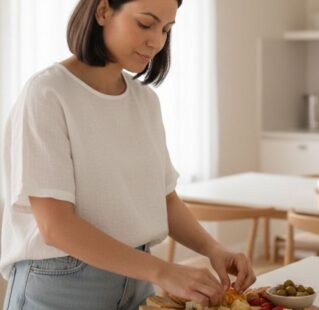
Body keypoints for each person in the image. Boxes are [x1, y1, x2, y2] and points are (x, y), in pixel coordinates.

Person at [0, 0, 256, 309]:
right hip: (60, 285)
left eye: (166, 30)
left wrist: (215, 250)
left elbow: (164, 199)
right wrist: (164, 271)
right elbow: (56, 227)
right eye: (145, 24)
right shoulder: (47, 94)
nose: (157, 41)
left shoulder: (145, 101)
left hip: (136, 282)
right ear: (103, 11)